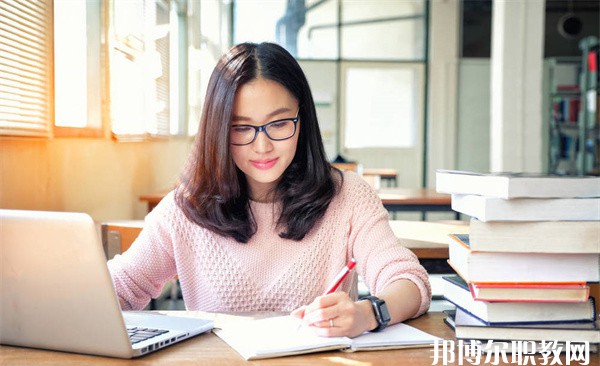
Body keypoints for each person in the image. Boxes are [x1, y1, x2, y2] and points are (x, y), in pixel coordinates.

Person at [108, 42, 431, 338]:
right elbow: (121, 287)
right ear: (218, 130)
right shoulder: (186, 208)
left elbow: (408, 282)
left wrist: (368, 313)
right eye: (241, 127)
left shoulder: (347, 196)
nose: (262, 146)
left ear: (301, 120)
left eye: (278, 124)